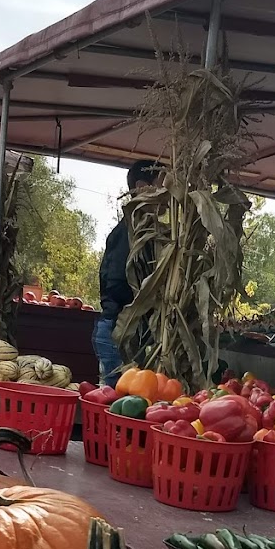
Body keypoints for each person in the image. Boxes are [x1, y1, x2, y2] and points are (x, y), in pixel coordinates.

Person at [94, 160, 162, 383]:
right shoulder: (131, 233)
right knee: (119, 400)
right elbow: (117, 281)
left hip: (126, 330)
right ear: (144, 187)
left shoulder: (146, 232)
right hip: (120, 333)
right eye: (163, 184)